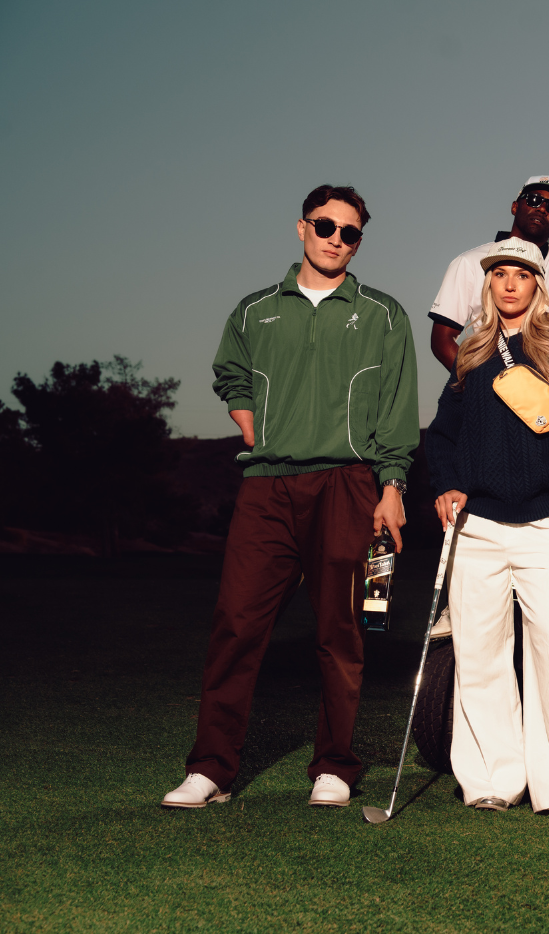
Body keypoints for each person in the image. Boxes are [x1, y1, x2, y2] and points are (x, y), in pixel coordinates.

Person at [162, 184, 419, 809]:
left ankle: (334, 766)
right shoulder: (254, 311)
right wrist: (250, 421)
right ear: (301, 229)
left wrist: (392, 486)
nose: (336, 239)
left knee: (339, 631)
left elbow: (398, 407)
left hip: (348, 484)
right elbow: (231, 371)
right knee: (236, 625)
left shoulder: (384, 314)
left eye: (350, 232)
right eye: (326, 226)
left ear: (359, 243)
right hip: (266, 486)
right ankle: (212, 769)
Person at [424, 238, 549, 822]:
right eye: (500, 274)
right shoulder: (470, 349)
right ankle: (492, 778)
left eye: (522, 274)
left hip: (547, 523)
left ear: (537, 283)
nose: (511, 284)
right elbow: (441, 434)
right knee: (480, 652)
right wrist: (445, 483)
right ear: (489, 282)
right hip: (478, 526)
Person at [428, 175, 549, 371]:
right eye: (533, 199)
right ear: (514, 207)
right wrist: (477, 387)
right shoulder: (470, 262)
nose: (542, 209)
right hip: (496, 386)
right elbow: (442, 340)